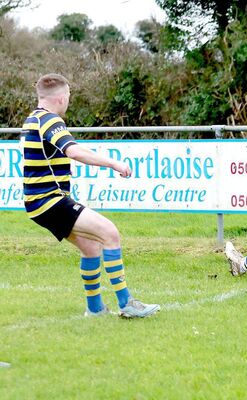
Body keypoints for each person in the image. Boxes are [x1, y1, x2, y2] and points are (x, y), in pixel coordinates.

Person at [21, 73, 160, 318]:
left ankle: (95, 309)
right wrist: (113, 163)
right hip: (49, 201)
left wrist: (61, 165)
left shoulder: (33, 119)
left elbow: (45, 155)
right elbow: (73, 150)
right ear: (62, 97)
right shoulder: (51, 120)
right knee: (110, 233)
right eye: (69, 97)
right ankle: (126, 303)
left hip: (38, 202)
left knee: (91, 247)